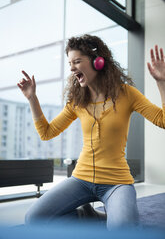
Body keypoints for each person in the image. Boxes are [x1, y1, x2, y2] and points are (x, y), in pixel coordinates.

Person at [17, 34, 165, 230]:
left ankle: (108, 217)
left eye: (77, 61)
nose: (71, 68)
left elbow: (162, 120)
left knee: (122, 229)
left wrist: (162, 82)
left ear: (98, 61)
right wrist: (32, 99)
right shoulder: (77, 101)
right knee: (34, 218)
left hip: (117, 182)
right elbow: (47, 132)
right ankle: (89, 217)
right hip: (81, 179)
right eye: (70, 63)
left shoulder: (127, 93)